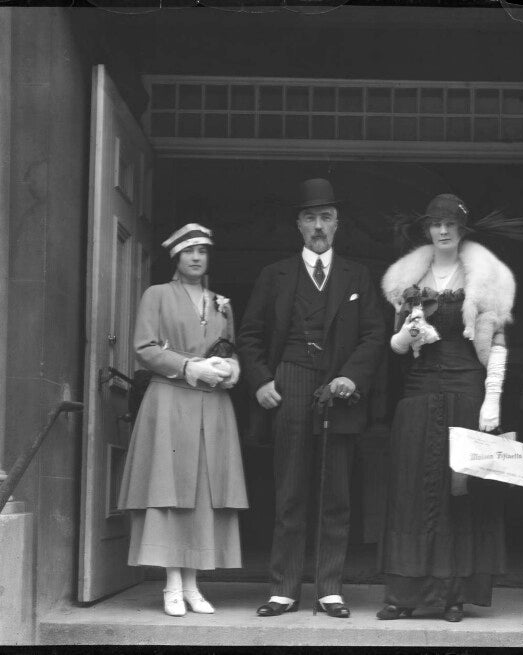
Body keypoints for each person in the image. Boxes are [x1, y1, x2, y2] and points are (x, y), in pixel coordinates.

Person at [237, 178, 385, 619]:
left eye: (326, 217)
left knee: (335, 492)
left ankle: (329, 588)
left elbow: (374, 334)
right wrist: (261, 381)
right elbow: (250, 335)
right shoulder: (275, 275)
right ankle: (283, 589)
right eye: (310, 218)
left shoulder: (357, 276)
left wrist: (351, 377)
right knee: (290, 490)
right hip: (290, 383)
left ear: (337, 224)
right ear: (298, 225)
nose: (318, 226)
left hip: (338, 388)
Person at [377, 193, 516, 622]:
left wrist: (492, 400)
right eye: (436, 224)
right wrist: (410, 334)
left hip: (465, 390)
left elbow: (496, 345)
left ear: (461, 230)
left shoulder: (485, 278)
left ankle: (454, 595)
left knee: (459, 493)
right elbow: (396, 346)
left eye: (450, 225)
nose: (442, 231)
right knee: (413, 491)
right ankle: (404, 595)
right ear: (426, 230)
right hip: (419, 394)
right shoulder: (409, 279)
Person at [117, 223, 249, 617]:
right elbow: (144, 348)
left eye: (202, 251)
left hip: (212, 405)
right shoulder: (157, 295)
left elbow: (229, 348)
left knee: (204, 494)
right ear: (176, 257)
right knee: (169, 492)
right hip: (171, 400)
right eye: (188, 251)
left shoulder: (221, 303)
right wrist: (190, 366)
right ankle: (171, 584)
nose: (196, 257)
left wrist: (230, 368)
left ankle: (192, 584)